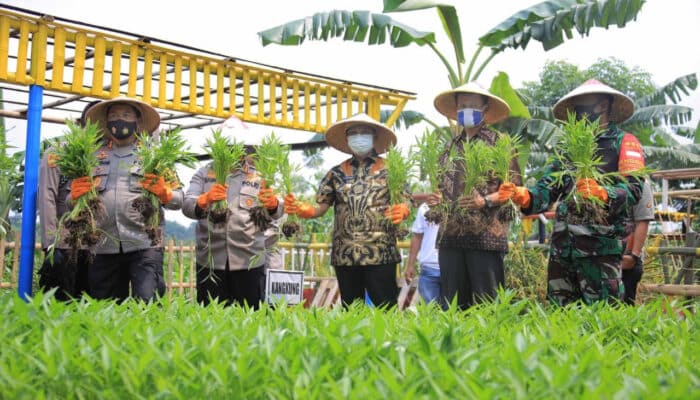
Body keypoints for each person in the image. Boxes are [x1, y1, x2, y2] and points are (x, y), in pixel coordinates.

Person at [501, 79, 645, 305]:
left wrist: (604, 193)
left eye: (581, 103)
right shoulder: (567, 150)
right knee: (562, 317)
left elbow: (634, 188)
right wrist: (526, 196)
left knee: (603, 318)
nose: (577, 110)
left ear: (603, 105)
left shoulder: (624, 142)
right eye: (575, 105)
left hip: (599, 250)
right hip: (563, 249)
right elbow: (548, 187)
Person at [284, 113, 409, 308]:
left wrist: (403, 208)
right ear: (347, 138)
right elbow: (320, 207)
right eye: (354, 133)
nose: (359, 136)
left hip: (381, 252)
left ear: (375, 137)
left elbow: (406, 199)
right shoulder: (335, 173)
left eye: (364, 132)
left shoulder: (392, 170)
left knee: (386, 309)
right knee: (351, 310)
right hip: (345, 254)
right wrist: (306, 210)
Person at [70, 97, 182, 301]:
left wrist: (165, 192)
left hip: (144, 243)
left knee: (147, 304)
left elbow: (179, 199)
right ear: (106, 122)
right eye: (113, 116)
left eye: (125, 115)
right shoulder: (92, 157)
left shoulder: (155, 156)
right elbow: (73, 201)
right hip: (103, 244)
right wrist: (73, 196)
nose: (118, 120)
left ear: (138, 122)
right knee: (105, 309)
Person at [428, 82, 521, 309]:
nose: (466, 110)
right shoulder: (449, 148)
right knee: (452, 305)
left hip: (486, 237)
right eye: (462, 105)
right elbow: (441, 186)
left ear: (485, 109)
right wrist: (437, 200)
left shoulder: (500, 144)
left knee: (487, 304)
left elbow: (514, 188)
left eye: (472, 105)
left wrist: (485, 201)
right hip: (451, 235)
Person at [183, 145, 284, 308]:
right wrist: (204, 199)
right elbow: (187, 206)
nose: (233, 150)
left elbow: (279, 211)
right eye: (227, 145)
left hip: (250, 260)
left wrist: (274, 205)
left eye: (238, 147)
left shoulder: (259, 176)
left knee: (250, 318)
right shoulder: (203, 174)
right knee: (209, 318)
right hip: (210, 261)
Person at [38, 100, 101, 300]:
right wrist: (50, 242)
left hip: (96, 246)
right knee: (60, 300)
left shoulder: (108, 156)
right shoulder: (58, 152)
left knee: (91, 303)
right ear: (82, 123)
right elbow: (47, 196)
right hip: (64, 243)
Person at [621, 180, 654, 305]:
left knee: (622, 308)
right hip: (595, 258)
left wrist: (633, 256)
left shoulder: (637, 181)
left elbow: (643, 220)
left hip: (625, 259)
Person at [404, 203, 441, 304]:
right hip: (429, 267)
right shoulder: (424, 207)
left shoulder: (458, 203)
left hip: (453, 268)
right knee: (428, 313)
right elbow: (417, 236)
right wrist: (410, 265)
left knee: (453, 311)